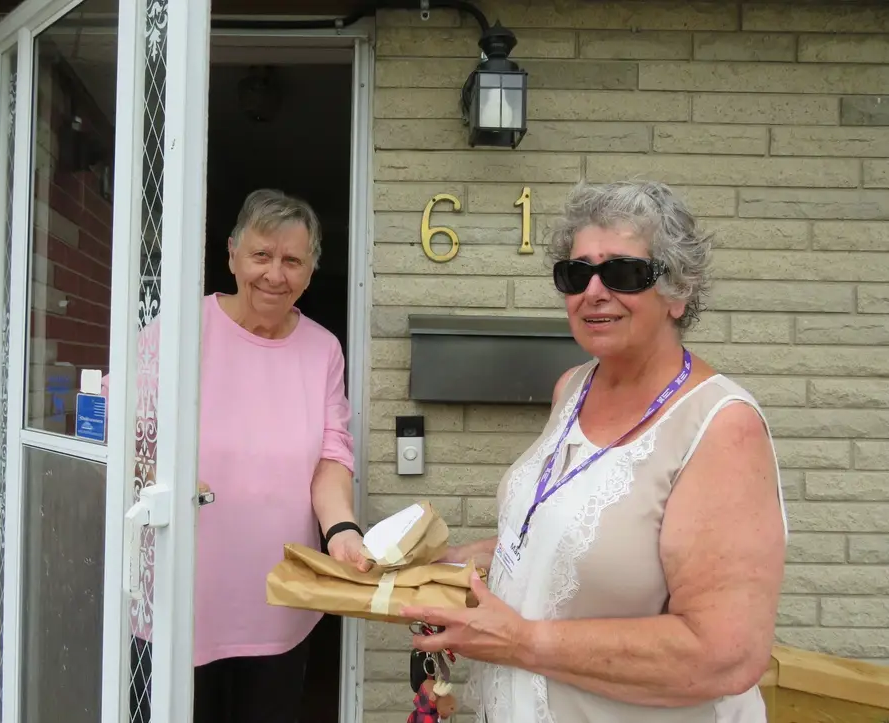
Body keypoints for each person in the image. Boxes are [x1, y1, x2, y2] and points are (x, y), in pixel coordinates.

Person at [402, 180, 788, 723]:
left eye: (624, 273)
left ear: (678, 291)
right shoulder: (573, 387)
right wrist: (446, 566)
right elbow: (563, 535)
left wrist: (521, 641)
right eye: (576, 274)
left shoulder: (723, 428)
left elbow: (724, 657)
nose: (594, 291)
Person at [122, 189, 368, 723]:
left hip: (277, 601)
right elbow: (128, 443)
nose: (274, 275)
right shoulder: (176, 333)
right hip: (181, 595)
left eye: (292, 260)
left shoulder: (323, 348)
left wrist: (342, 529)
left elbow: (331, 455)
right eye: (261, 255)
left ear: (309, 271)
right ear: (232, 254)